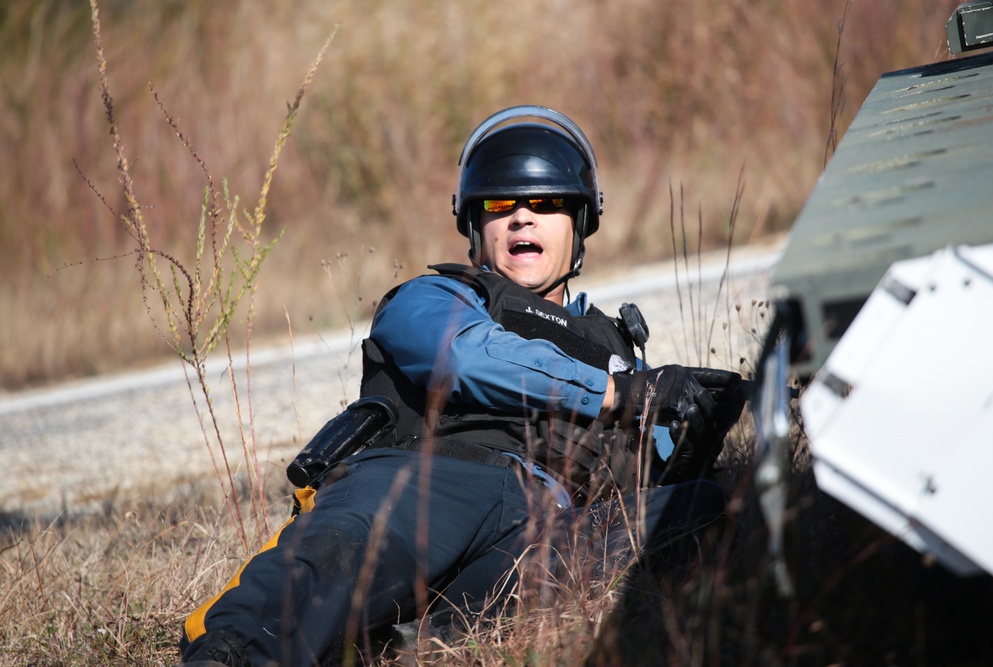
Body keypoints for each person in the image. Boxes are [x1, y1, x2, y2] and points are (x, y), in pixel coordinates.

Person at [178, 106, 746, 667]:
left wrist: (695, 428)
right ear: (476, 228)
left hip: (543, 526)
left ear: (579, 223)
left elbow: (638, 486)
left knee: (701, 509)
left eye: (545, 203)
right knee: (338, 550)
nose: (523, 218)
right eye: (502, 205)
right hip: (426, 483)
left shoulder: (616, 349)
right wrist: (618, 396)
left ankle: (412, 641)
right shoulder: (435, 298)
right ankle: (233, 651)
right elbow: (464, 355)